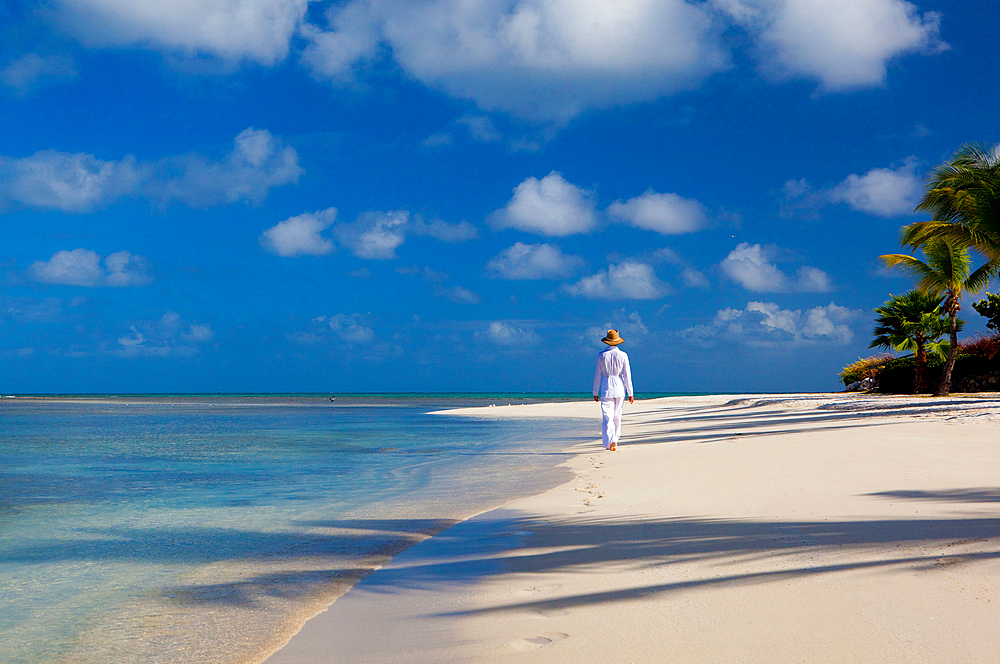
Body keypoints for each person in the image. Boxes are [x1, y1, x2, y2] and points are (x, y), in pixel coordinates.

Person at [592, 329, 634, 451]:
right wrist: (630, 392)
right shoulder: (623, 355)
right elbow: (627, 375)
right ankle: (614, 440)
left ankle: (609, 441)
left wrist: (595, 391)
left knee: (607, 416)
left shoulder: (601, 355)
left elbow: (597, 376)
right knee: (617, 415)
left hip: (606, 387)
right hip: (619, 387)